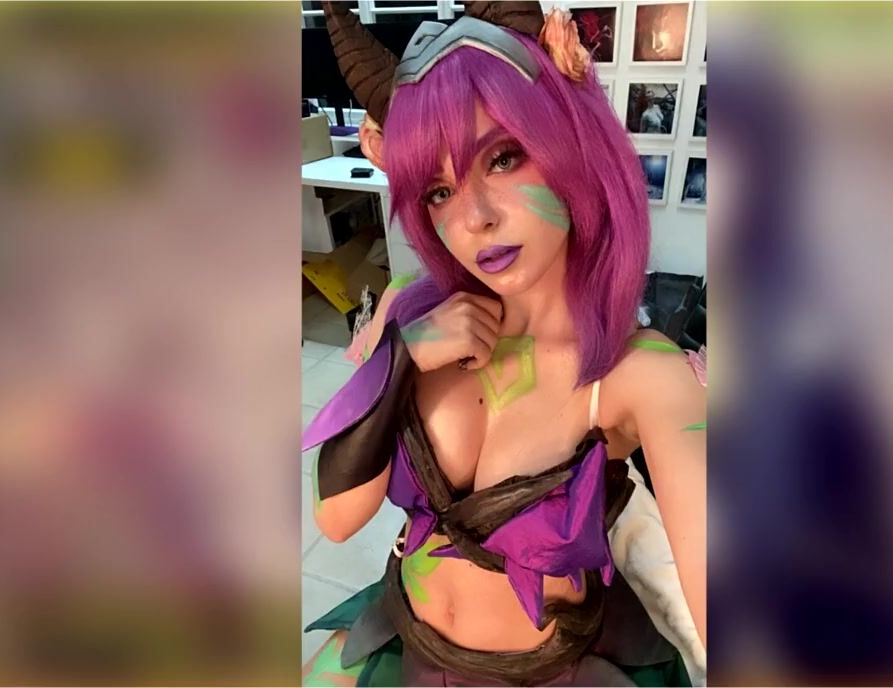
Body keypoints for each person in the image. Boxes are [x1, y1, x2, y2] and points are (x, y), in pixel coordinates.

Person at [301, 2, 707, 685]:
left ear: (571, 143)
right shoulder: (411, 307)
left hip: (553, 671)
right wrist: (400, 358)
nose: (475, 218)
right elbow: (337, 519)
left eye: (504, 157)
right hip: (406, 637)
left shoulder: (638, 374)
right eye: (438, 190)